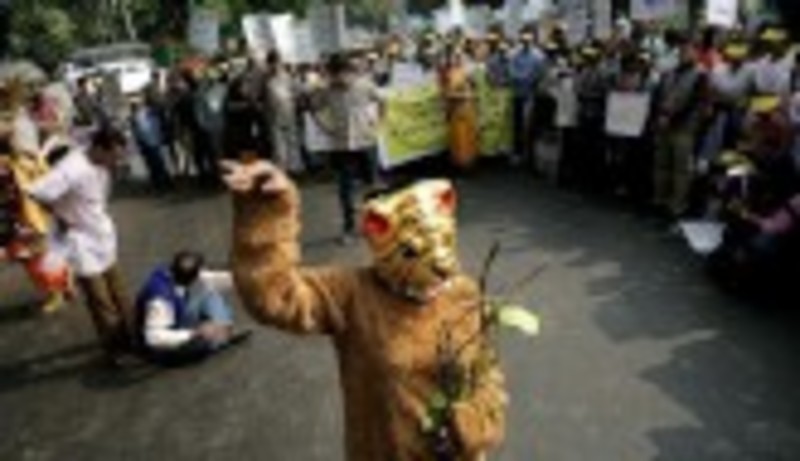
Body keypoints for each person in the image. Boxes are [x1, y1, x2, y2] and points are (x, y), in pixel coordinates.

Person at [222, 159, 507, 461]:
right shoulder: (352, 295)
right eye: (413, 251)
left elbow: (487, 374)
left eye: (445, 240)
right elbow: (273, 296)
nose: (440, 262)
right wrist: (267, 213)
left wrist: (473, 426)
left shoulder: (464, 293)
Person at [27, 125, 135, 366]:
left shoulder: (100, 163)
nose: (115, 161)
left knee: (119, 291)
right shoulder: (71, 168)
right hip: (82, 242)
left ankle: (133, 335)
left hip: (102, 234)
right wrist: (60, 216)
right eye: (113, 156)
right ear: (99, 149)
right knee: (100, 299)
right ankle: (115, 349)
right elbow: (37, 192)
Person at [308, 53, 384, 244]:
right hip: (342, 145)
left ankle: (377, 225)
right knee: (345, 189)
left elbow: (383, 101)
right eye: (335, 75)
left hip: (366, 142)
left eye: (343, 74)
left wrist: (379, 124)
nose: (341, 79)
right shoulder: (326, 91)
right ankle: (349, 228)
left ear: (350, 71)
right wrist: (326, 128)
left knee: (373, 185)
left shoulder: (364, 85)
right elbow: (313, 108)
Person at [135, 251, 249, 365]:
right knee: (200, 345)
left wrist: (243, 278)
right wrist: (194, 333)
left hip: (176, 315)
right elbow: (154, 338)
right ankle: (218, 338)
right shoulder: (160, 302)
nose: (201, 273)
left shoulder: (172, 273)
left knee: (208, 293)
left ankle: (221, 328)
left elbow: (208, 278)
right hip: (164, 344)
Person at [439, 45, 479, 169]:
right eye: (456, 56)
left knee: (469, 135)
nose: (458, 59)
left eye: (460, 56)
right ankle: (459, 161)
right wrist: (462, 96)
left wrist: (470, 95)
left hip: (468, 109)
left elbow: (474, 88)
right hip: (456, 109)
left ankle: (469, 160)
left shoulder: (467, 72)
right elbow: (446, 93)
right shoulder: (449, 73)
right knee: (458, 136)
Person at [509, 29, 544, 166]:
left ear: (532, 40)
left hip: (530, 95)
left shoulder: (538, 56)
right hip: (517, 94)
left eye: (528, 41)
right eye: (523, 41)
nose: (525, 43)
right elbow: (512, 72)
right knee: (517, 124)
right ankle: (517, 152)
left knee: (529, 125)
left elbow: (538, 74)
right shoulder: (514, 54)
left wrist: (523, 78)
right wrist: (524, 77)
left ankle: (529, 154)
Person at [264, 50, 303, 174]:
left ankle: (295, 169)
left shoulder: (288, 76)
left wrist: (293, 100)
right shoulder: (265, 78)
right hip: (273, 115)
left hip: (289, 112)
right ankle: (282, 169)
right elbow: (255, 96)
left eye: (277, 62)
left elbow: (298, 91)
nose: (275, 65)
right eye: (272, 63)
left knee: (292, 141)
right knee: (278, 145)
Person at [130, 95, 171, 191]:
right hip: (149, 142)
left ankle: (163, 183)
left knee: (157, 163)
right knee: (155, 163)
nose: (134, 106)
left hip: (151, 141)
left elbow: (148, 128)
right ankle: (160, 183)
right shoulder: (138, 116)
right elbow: (138, 131)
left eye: (135, 104)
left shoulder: (147, 114)